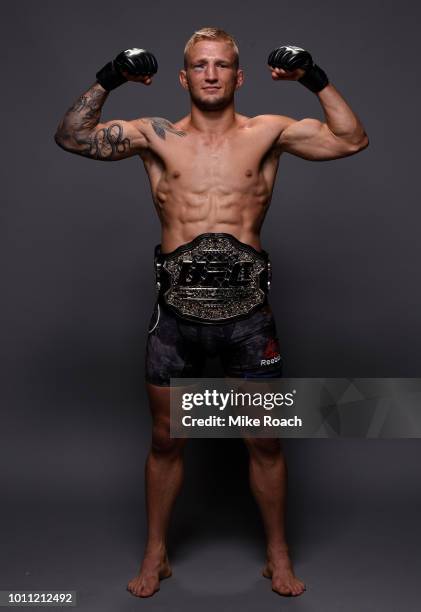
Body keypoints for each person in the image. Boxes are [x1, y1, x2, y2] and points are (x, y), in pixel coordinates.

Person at [54, 27, 368, 598]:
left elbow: (351, 140)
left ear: (239, 76)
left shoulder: (268, 132)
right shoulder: (157, 135)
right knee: (167, 439)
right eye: (200, 65)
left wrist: (312, 76)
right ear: (183, 76)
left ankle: (277, 552)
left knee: (265, 440)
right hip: (174, 317)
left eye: (222, 65)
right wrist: (112, 75)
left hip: (249, 316)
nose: (212, 74)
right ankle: (157, 553)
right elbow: (72, 137)